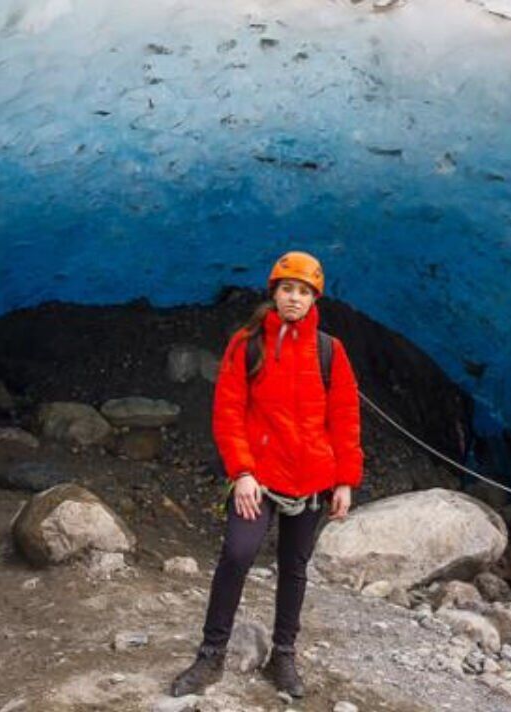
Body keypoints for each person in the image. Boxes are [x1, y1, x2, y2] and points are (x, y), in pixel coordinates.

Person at [170, 251, 363, 699]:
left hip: (312, 477)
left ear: (315, 298)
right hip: (259, 476)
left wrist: (344, 480)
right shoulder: (248, 342)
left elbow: (345, 417)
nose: (294, 298)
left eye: (304, 291)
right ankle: (211, 655)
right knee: (238, 553)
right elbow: (228, 411)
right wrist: (241, 472)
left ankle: (284, 655)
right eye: (287, 289)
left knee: (294, 567)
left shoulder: (330, 351)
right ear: (273, 293)